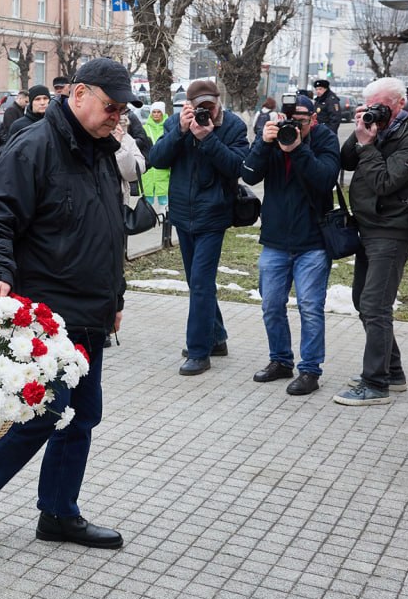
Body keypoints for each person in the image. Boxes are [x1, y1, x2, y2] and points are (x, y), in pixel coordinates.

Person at [0, 57, 131, 550]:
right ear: (77, 95)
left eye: (121, 109)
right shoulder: (34, 146)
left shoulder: (99, 148)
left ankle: (58, 513)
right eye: (110, 106)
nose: (117, 116)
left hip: (91, 311)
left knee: (82, 415)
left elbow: (107, 230)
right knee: (49, 410)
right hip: (48, 313)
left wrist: (114, 295)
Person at [335, 76, 408, 406]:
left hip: (393, 229)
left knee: (376, 306)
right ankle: (393, 371)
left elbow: (384, 181)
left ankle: (375, 383)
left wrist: (368, 145)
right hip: (370, 225)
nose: (376, 113)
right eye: (371, 107)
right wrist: (361, 130)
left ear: (398, 103)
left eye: (380, 108)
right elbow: (347, 160)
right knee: (361, 300)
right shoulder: (382, 125)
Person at [146, 79, 249, 376]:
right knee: (196, 282)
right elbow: (157, 160)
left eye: (210, 105)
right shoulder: (175, 123)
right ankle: (216, 338)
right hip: (182, 213)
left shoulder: (233, 126)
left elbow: (238, 167)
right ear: (188, 105)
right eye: (199, 106)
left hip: (214, 215)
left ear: (219, 101)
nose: (206, 111)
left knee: (201, 283)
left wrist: (208, 139)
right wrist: (179, 131)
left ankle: (199, 351)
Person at [240, 94, 340, 396]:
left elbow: (324, 180)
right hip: (275, 240)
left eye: (303, 121)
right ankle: (280, 360)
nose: (296, 127)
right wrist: (263, 141)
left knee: (310, 308)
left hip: (313, 242)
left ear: (314, 119)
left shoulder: (324, 140)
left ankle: (310, 370)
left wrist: (296, 149)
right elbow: (248, 174)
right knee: (271, 305)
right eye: (291, 121)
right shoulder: (272, 138)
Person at [142, 103, 171, 208]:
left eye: (159, 112)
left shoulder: (169, 128)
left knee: (165, 203)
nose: (156, 114)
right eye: (153, 112)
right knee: (147, 204)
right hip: (148, 171)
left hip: (163, 170)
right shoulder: (144, 128)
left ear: (163, 113)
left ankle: (166, 223)